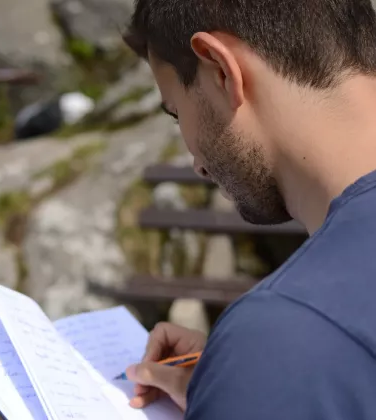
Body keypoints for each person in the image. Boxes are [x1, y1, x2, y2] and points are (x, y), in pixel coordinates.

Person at [121, 0, 376, 419]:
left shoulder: (288, 334)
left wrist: (259, 373)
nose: (198, 163)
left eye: (176, 112)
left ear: (221, 70)